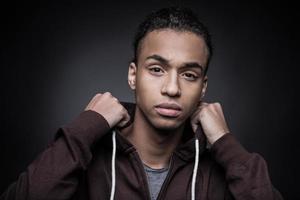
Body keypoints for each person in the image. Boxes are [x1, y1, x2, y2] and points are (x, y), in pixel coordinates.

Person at [1, 6, 283, 200]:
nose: (172, 88)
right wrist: (84, 129)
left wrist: (224, 142)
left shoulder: (218, 169)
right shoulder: (89, 160)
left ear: (203, 87)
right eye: (157, 69)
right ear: (133, 75)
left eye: (188, 74)